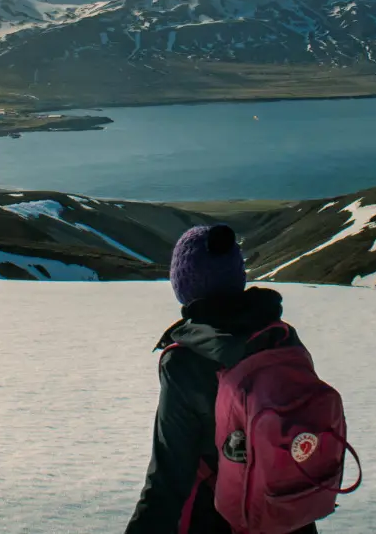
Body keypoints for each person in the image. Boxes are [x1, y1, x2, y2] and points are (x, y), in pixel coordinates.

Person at [126, 224, 318, 534]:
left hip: (220, 516)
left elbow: (169, 478)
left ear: (183, 283)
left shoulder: (185, 360)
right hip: (290, 513)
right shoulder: (279, 335)